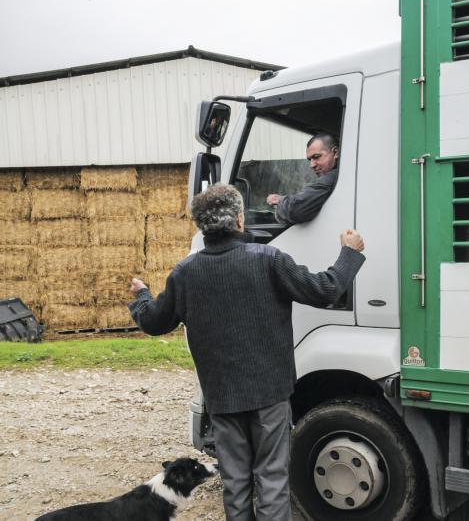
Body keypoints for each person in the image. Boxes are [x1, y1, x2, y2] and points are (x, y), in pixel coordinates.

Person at [127, 183, 365, 521]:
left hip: (222, 398)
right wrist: (350, 253)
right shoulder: (268, 259)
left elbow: (153, 322)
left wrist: (142, 295)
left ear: (202, 226)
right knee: (272, 479)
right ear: (239, 219)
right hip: (269, 394)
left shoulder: (185, 273)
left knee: (236, 482)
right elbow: (325, 290)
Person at [266, 132, 339, 225]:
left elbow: (295, 210)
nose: (312, 165)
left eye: (316, 157)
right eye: (310, 160)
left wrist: (280, 201)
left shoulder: (332, 178)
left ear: (336, 152)